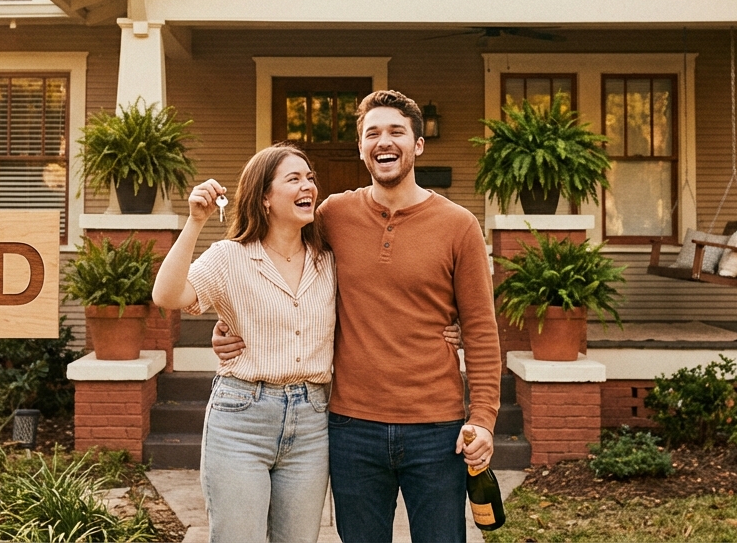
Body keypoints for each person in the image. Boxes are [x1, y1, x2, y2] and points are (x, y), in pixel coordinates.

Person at [215, 90, 502, 543]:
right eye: (372, 133)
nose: (383, 141)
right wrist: (233, 324)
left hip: (437, 428)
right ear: (361, 147)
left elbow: (483, 332)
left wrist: (482, 418)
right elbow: (278, 261)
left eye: (396, 132)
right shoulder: (332, 215)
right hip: (351, 428)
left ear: (418, 145)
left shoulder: (459, 225)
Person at [152, 145, 334, 543]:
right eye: (294, 179)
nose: (308, 186)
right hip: (241, 418)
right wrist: (195, 221)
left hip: (312, 421)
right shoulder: (229, 258)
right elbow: (167, 296)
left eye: (310, 178)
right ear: (264, 197)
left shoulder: (329, 260)